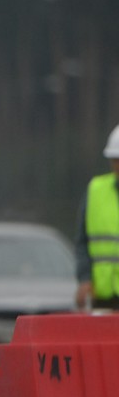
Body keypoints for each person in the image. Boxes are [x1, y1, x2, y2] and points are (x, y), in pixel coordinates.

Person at [74, 123, 119, 311]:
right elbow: (82, 241)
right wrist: (85, 279)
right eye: (115, 159)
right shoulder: (96, 190)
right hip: (103, 300)